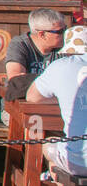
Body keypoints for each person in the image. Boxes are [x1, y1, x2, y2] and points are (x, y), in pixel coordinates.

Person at [27, 25, 87, 176]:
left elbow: (32, 97)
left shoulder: (60, 65)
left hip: (78, 162)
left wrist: (64, 97)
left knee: (49, 144)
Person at [0, 8, 69, 124]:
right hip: (19, 108)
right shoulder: (20, 44)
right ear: (42, 34)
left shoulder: (66, 47)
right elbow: (17, 79)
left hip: (54, 107)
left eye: (65, 29)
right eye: (59, 32)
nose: (65, 34)